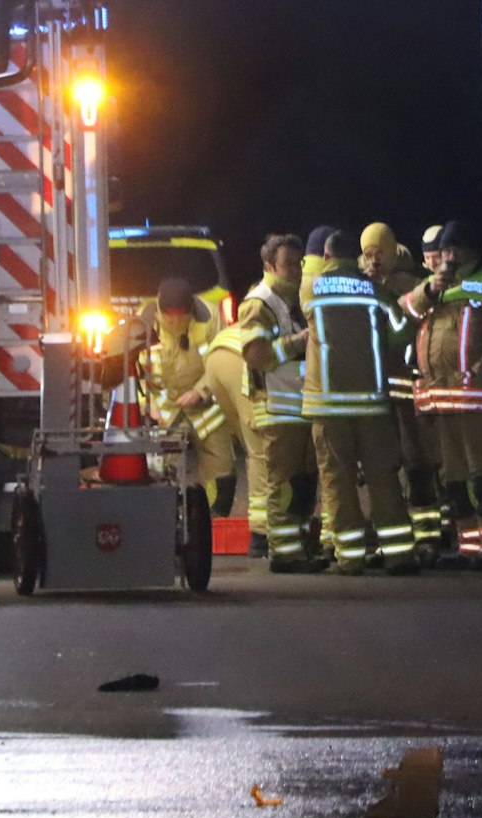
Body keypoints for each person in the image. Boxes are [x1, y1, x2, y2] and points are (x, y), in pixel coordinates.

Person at [192, 233, 321, 571]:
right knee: (283, 484)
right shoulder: (259, 302)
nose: (295, 271)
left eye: (299, 264)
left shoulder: (297, 298)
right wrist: (299, 342)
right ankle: (283, 553)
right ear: (268, 266)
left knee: (304, 482)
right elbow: (256, 355)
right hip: (277, 407)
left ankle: (299, 547)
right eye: (287, 265)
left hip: (301, 405)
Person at [400, 220, 482, 570]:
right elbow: (402, 314)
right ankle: (470, 546)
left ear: (469, 250)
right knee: (454, 482)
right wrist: (430, 288)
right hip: (442, 400)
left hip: (478, 399)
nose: (448, 256)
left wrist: (480, 372)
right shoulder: (435, 286)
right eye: (445, 250)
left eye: (454, 250)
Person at [300, 229, 419, 575]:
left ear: (326, 257)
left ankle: (350, 558)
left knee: (337, 481)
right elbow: (402, 331)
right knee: (383, 477)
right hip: (371, 403)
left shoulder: (311, 291)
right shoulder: (376, 291)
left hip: (329, 405)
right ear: (359, 258)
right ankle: (398, 554)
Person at [361, 223, 445, 559]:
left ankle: (429, 533)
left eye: (379, 252)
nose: (373, 260)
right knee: (380, 468)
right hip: (375, 393)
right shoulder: (360, 286)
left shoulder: (410, 286)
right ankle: (391, 535)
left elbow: (410, 329)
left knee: (418, 462)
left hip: (408, 389)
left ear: (392, 251)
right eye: (367, 253)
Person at [146, 277, 236, 515]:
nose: (176, 321)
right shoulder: (144, 320)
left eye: (182, 315)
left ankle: (214, 524)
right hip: (165, 412)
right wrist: (149, 405)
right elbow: (130, 371)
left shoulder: (210, 317)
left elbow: (223, 361)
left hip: (207, 407)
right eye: (170, 316)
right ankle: (163, 520)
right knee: (157, 473)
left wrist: (201, 391)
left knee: (222, 471)